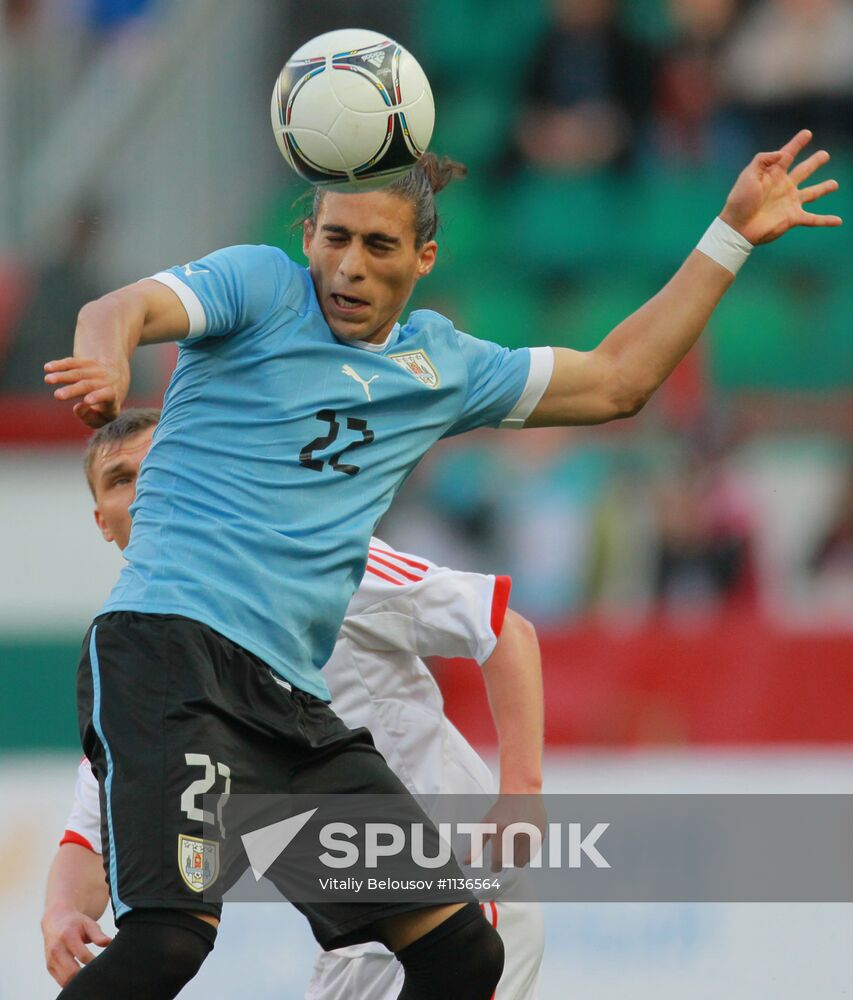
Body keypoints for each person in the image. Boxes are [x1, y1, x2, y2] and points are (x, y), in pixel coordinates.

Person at [44, 131, 840, 999]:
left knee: (462, 953)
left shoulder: (440, 366)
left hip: (292, 708)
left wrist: (726, 237)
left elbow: (619, 381)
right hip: (173, 653)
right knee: (168, 939)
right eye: (334, 238)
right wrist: (106, 361)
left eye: (378, 245)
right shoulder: (258, 284)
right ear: (306, 235)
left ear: (423, 257)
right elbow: (118, 307)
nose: (348, 266)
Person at [41, 410, 545, 998]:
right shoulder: (147, 658)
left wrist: (523, 793)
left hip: (456, 890)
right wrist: (59, 910)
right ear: (103, 520)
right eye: (121, 478)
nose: (145, 487)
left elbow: (504, 631)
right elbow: (94, 824)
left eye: (159, 466)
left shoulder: (314, 559)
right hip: (355, 929)